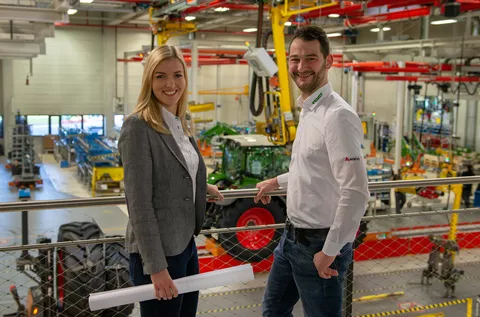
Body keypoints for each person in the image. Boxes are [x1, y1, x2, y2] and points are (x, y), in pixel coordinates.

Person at [254, 26, 370, 317]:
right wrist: (276, 181)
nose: (301, 67)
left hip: (320, 244)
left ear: (328, 61)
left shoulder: (337, 116)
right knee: (273, 312)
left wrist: (328, 252)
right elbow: (314, 169)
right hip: (291, 239)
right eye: (295, 59)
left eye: (311, 59)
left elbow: (356, 192)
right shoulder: (309, 109)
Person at [118, 45, 224, 317]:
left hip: (185, 244)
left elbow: (177, 170)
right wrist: (156, 267)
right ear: (148, 81)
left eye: (177, 75)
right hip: (158, 254)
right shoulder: (138, 127)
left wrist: (199, 188)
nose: (170, 84)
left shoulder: (181, 121)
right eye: (160, 76)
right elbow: (139, 204)